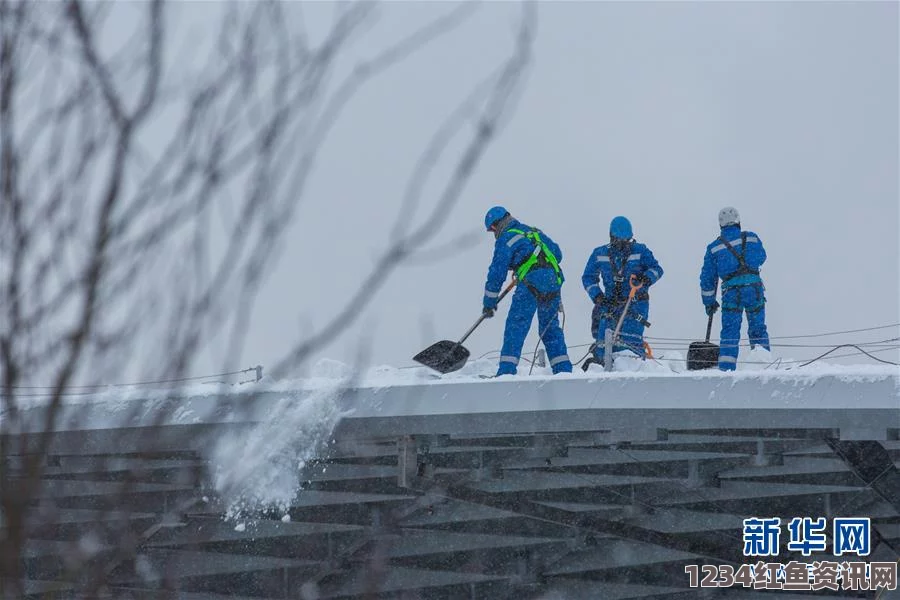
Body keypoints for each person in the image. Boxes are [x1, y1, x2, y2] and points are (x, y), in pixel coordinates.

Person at [482, 206, 573, 376]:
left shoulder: (506, 239)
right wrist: (526, 262)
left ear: (497, 224)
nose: (493, 233)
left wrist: (489, 302)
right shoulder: (533, 232)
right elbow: (558, 254)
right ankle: (564, 372)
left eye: (492, 229)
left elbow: (497, 272)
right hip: (553, 282)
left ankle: (506, 372)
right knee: (550, 328)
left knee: (516, 325)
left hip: (531, 282)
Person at [581, 216, 663, 368]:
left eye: (626, 242)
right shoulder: (600, 253)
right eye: (619, 242)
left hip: (635, 304)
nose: (623, 246)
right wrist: (598, 297)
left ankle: (633, 371)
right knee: (604, 342)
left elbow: (657, 270)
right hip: (609, 304)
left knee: (629, 344)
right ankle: (600, 369)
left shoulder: (640, 251)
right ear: (612, 237)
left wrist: (645, 278)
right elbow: (588, 278)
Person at [700, 206, 770, 371]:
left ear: (720, 225)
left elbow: (707, 278)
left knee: (730, 333)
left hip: (732, 292)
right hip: (754, 288)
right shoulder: (751, 238)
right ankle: (763, 365)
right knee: (758, 328)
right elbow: (762, 257)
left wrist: (709, 302)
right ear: (738, 221)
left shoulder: (714, 247)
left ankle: (726, 369)